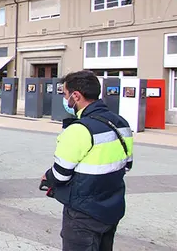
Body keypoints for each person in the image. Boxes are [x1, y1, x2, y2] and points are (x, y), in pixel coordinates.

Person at [40, 70, 133, 250]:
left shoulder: (79, 130)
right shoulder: (121, 123)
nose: (65, 100)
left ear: (76, 95)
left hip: (83, 215)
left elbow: (60, 175)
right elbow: (126, 166)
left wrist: (47, 177)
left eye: (65, 94)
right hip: (112, 208)